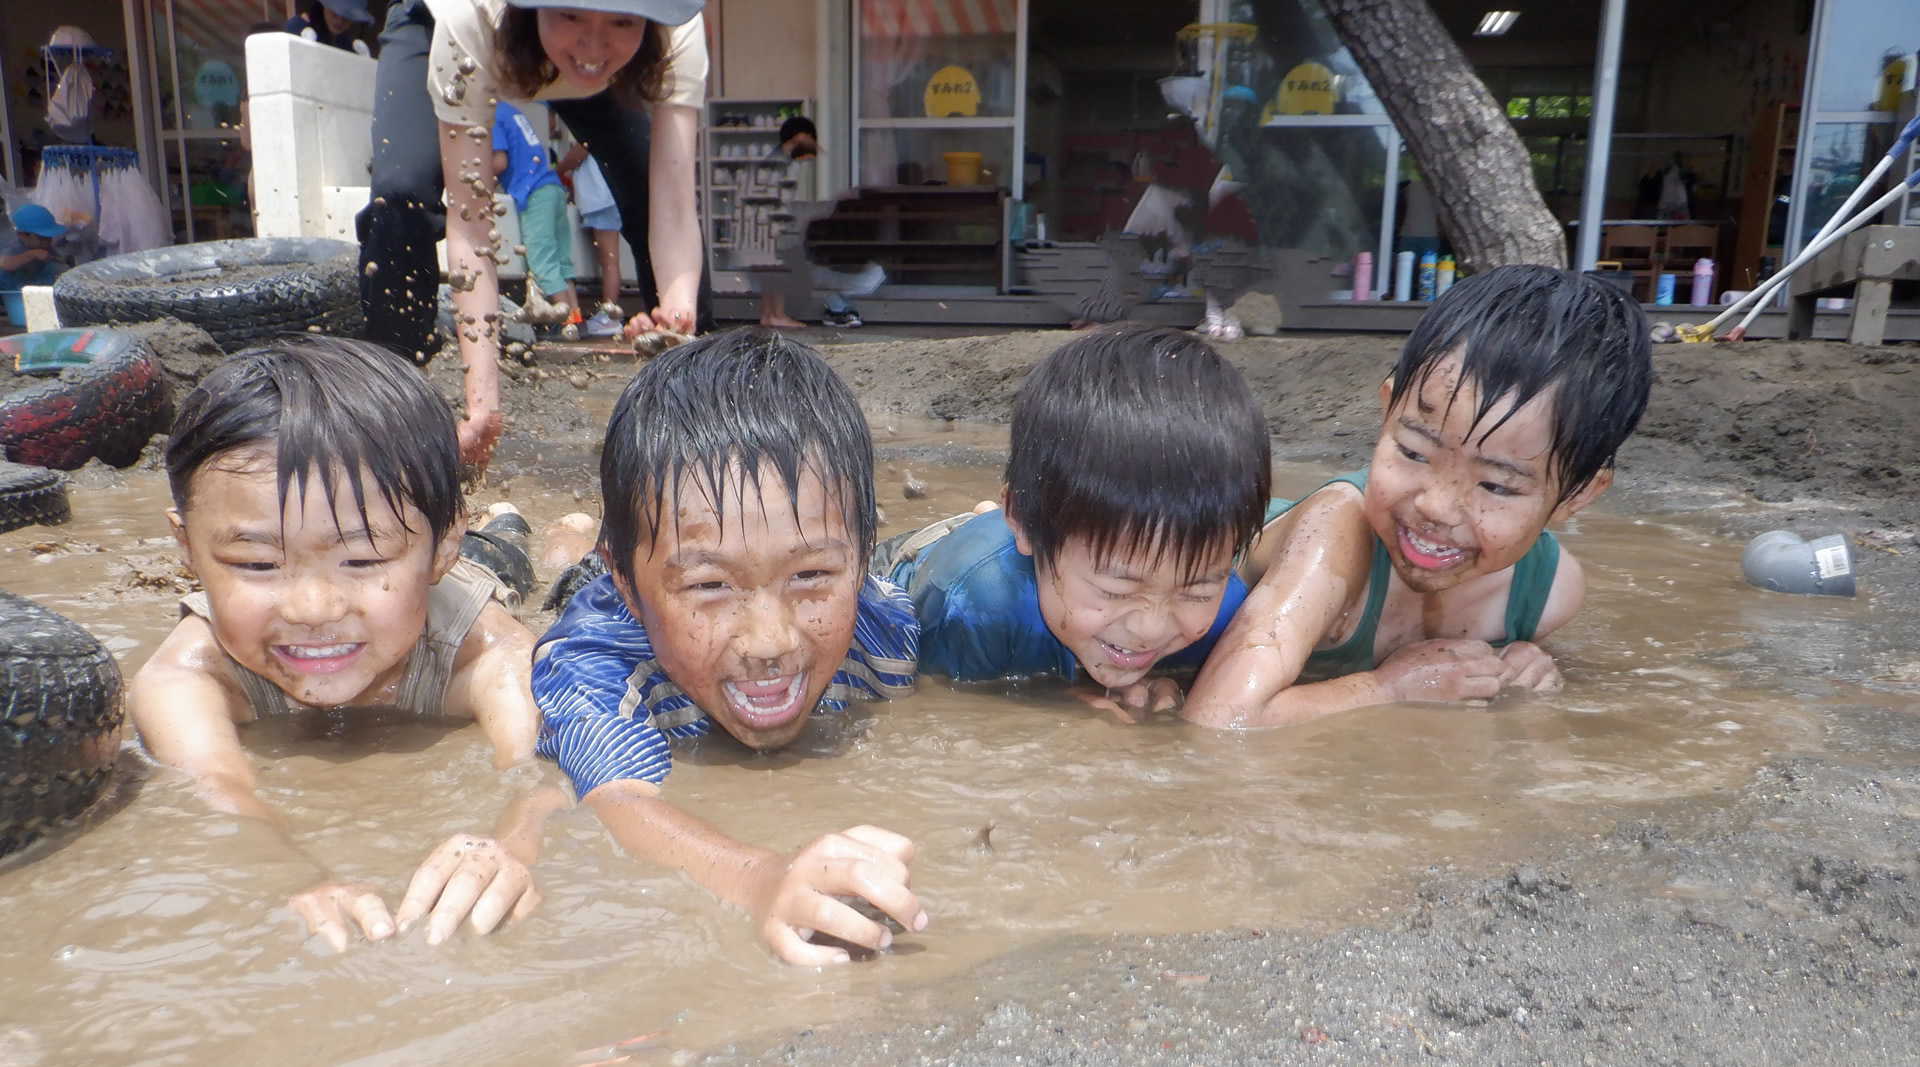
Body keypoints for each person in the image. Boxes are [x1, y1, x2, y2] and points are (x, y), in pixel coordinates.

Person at [129, 336, 553, 952]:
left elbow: (538, 776)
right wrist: (295, 877)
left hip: (461, 583)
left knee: (525, 563)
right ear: (188, 549)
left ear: (441, 546)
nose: (312, 609)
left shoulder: (489, 655)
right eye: (255, 563)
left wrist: (515, 846)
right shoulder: (187, 679)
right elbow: (215, 791)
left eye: (361, 558)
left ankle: (515, 530)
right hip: (409, 574)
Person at [531, 327, 927, 966]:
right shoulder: (592, 664)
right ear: (632, 586)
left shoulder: (886, 628)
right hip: (595, 594)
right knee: (553, 569)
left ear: (858, 562)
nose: (770, 641)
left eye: (811, 576)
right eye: (710, 585)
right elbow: (619, 800)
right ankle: (557, 537)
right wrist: (761, 880)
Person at [1182, 265, 1654, 728]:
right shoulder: (1336, 528)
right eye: (1413, 451)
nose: (1435, 507)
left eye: (1496, 485)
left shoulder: (1548, 594)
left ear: (1578, 494)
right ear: (1388, 410)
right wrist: (1390, 688)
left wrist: (1520, 664)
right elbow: (1222, 717)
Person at [359, 0, 710, 471]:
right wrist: (483, 404)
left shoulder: (675, 25)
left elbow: (672, 203)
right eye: (572, 16)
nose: (593, 43)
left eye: (621, 21)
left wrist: (678, 311)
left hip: (596, 54)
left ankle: (694, 412)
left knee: (645, 180)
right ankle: (389, 417)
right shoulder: (470, 22)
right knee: (399, 195)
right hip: (456, 28)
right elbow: (471, 219)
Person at [876, 323, 1271, 720]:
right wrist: (1067, 702)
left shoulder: (1229, 607)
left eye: (1195, 591)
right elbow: (945, 704)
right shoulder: (971, 609)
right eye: (1116, 590)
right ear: (1024, 521)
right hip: (921, 564)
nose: (1150, 628)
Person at [758, 116, 871, 330]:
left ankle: (769, 314)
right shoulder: (783, 163)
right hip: (773, 222)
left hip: (762, 221)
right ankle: (776, 314)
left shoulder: (775, 159)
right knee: (778, 266)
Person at [492, 100, 584, 332]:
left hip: (533, 193)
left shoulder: (490, 115)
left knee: (542, 261)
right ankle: (575, 320)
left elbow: (499, 162)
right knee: (562, 261)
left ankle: (563, 323)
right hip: (552, 188)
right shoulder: (512, 111)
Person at [0, 205, 67, 291]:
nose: (46, 243)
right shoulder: (15, 246)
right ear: (22, 235)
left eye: (49, 238)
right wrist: (31, 254)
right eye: (41, 238)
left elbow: (58, 262)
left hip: (35, 285)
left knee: (53, 268)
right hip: (11, 292)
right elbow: (4, 264)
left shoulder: (46, 247)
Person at [285, 0, 378, 56]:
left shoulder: (345, 43)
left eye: (348, 16)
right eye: (335, 12)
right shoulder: (296, 28)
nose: (340, 21)